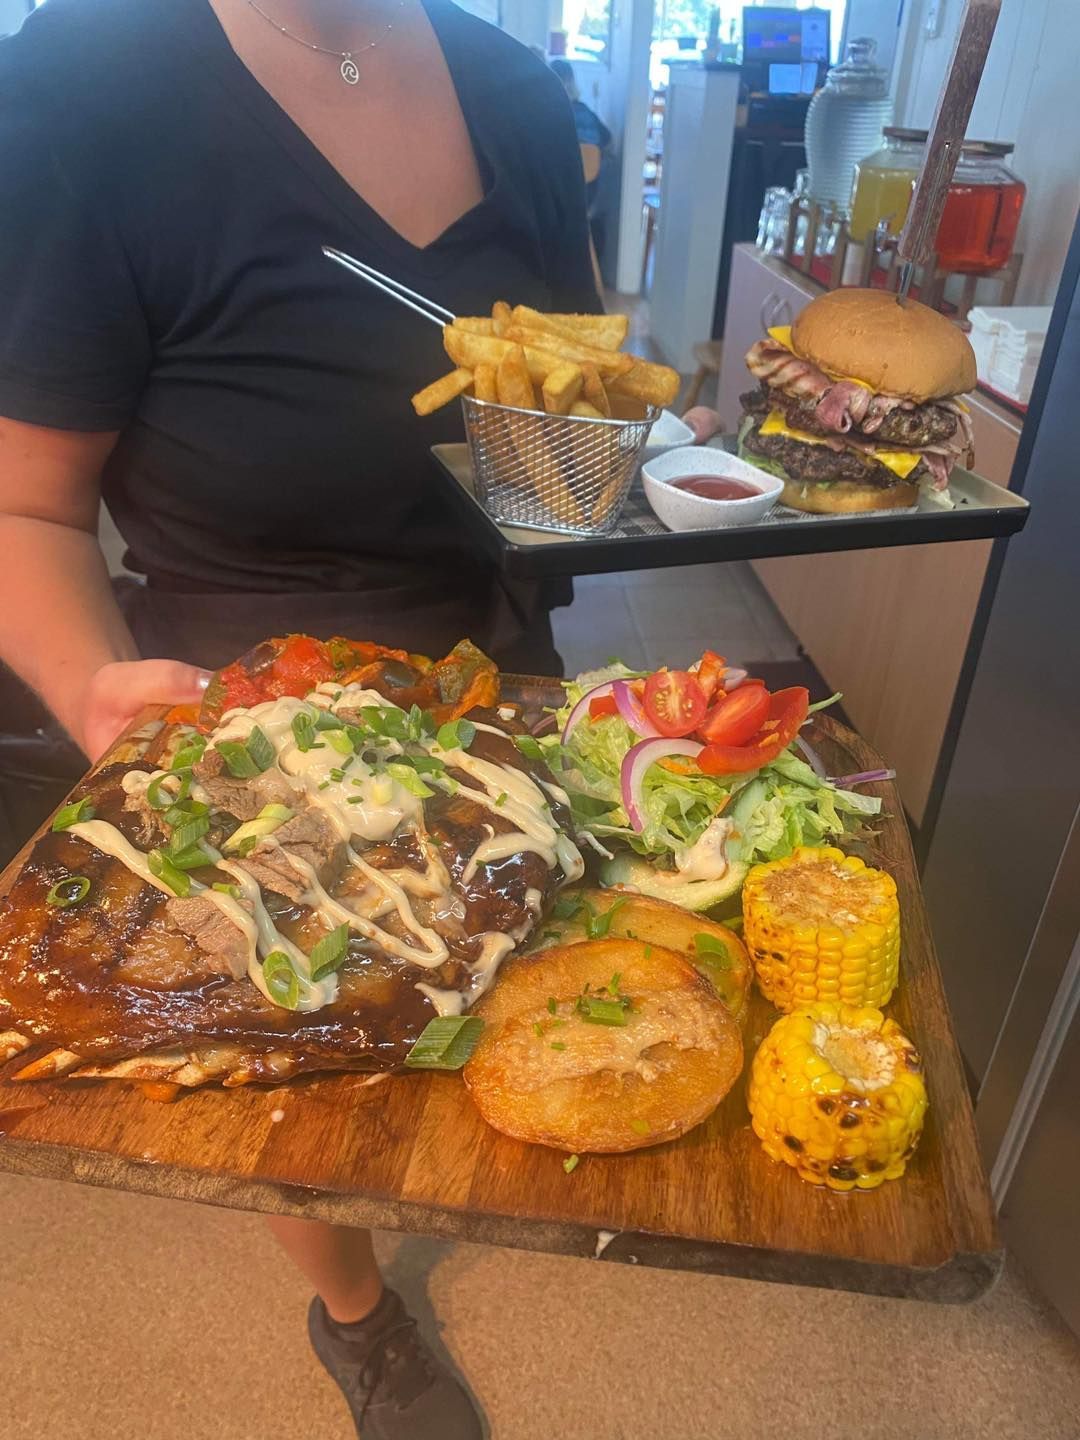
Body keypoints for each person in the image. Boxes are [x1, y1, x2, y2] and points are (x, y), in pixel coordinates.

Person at [0, 3, 716, 1436]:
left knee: (485, 1026)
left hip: (505, 685)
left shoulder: (517, 86)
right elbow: (24, 504)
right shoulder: (78, 86)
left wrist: (638, 491)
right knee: (316, 1091)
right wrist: (86, 686)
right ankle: (357, 1314)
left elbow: (556, 413)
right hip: (257, 723)